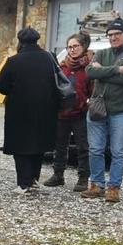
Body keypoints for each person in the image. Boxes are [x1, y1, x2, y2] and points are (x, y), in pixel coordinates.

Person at [80, 17, 123, 203]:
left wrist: (104, 72)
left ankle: (114, 187)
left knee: (118, 151)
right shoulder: (101, 52)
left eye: (117, 34)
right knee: (95, 149)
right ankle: (97, 185)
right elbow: (91, 73)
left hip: (121, 110)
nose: (113, 37)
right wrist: (118, 70)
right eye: (110, 34)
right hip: (98, 108)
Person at [0, 27, 59, 194]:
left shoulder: (14, 61)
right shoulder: (49, 58)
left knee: (21, 146)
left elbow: (1, 86)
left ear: (20, 41)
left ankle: (23, 183)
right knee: (38, 144)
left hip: (20, 110)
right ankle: (33, 179)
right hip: (45, 109)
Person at [43, 32, 93, 192]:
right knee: (60, 146)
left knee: (83, 147)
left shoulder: (90, 67)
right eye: (69, 47)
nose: (72, 50)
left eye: (75, 46)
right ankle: (58, 175)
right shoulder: (62, 67)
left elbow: (93, 90)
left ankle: (83, 178)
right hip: (62, 113)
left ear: (83, 47)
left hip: (81, 113)